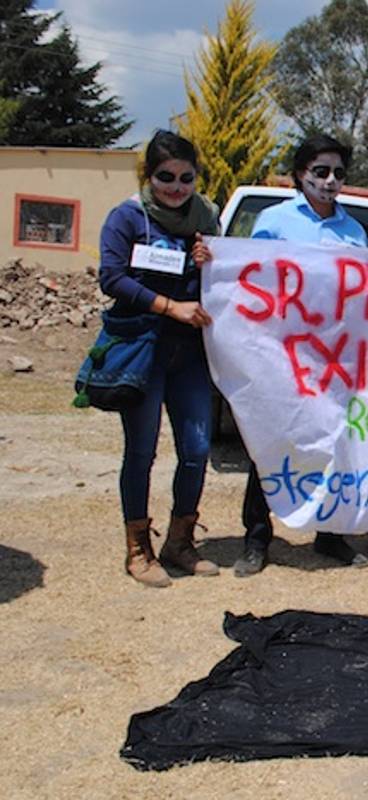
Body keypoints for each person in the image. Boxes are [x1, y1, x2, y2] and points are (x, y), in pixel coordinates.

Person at [234, 134, 368, 576]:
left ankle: (330, 536)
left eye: (338, 173)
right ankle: (257, 539)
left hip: (335, 359)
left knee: (335, 443)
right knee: (272, 441)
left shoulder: (353, 231)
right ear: (300, 175)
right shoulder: (274, 221)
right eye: (321, 172)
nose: (331, 181)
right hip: (284, 354)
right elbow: (251, 277)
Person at [98, 130, 219, 587]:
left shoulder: (206, 217)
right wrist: (169, 307)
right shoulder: (126, 218)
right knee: (142, 452)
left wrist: (213, 259)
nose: (176, 187)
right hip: (141, 349)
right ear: (150, 175)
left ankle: (179, 542)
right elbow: (111, 277)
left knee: (197, 449)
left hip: (189, 354)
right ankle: (138, 549)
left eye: (186, 177)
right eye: (166, 177)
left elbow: (222, 281)